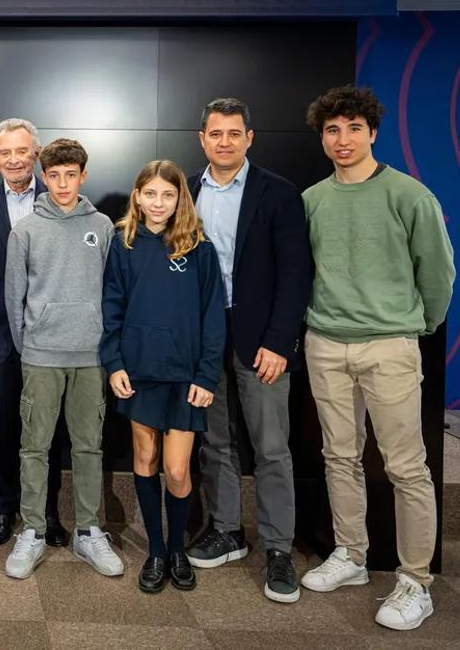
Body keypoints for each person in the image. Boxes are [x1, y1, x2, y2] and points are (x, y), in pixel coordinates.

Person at [298, 85, 453, 631]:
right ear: (323, 138)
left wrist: (415, 326)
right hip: (325, 342)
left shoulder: (409, 195)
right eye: (332, 131)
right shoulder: (313, 200)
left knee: (406, 466)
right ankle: (353, 556)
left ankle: (416, 581)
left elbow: (437, 273)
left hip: (389, 345)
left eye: (353, 129)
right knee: (339, 457)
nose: (343, 140)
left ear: (373, 133)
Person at [184, 98, 312, 604]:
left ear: (249, 138)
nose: (224, 142)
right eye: (216, 133)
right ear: (203, 138)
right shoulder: (185, 190)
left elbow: (296, 274)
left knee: (271, 448)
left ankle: (278, 549)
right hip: (205, 335)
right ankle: (227, 531)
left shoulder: (278, 194)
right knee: (216, 442)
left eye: (234, 133)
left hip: (261, 338)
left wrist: (280, 342)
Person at [100, 160, 224, 594]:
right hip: (138, 374)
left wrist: (207, 376)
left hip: (185, 378)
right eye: (149, 194)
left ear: (179, 200)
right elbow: (111, 308)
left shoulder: (199, 250)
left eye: (167, 195)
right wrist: (114, 363)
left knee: (175, 470)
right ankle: (156, 550)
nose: (158, 203)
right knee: (146, 459)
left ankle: (177, 548)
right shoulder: (124, 244)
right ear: (137, 196)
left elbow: (213, 319)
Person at [2, 138, 121, 580]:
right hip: (41, 356)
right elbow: (15, 299)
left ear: (83, 176)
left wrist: (104, 343)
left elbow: (112, 291)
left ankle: (89, 531)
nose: (63, 183)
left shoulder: (104, 225)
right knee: (35, 447)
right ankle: (32, 531)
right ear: (43, 177)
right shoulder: (27, 230)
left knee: (89, 446)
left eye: (71, 175)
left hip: (91, 356)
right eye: (54, 176)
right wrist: (30, 345)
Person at [0, 118, 68, 547]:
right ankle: (2, 510)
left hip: (51, 337)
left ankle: (46, 513)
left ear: (36, 153)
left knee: (50, 430)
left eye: (21, 151)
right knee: (1, 428)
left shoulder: (61, 201)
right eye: (5, 152)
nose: (13, 159)